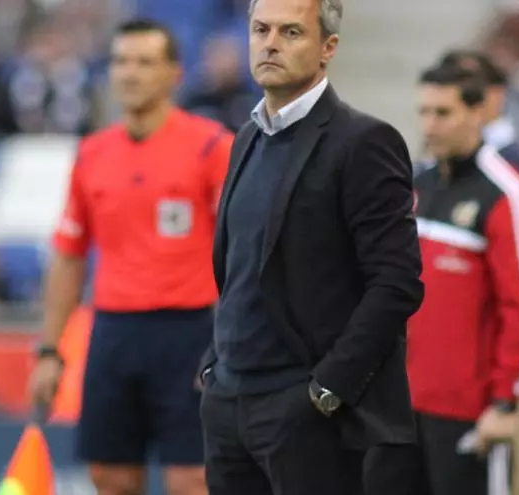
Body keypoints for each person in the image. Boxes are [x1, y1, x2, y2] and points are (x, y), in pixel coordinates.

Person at [197, 0, 424, 494]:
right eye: (260, 29)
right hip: (229, 402)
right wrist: (215, 367)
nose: (270, 44)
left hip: (304, 410)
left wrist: (328, 390)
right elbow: (238, 267)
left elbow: (397, 283)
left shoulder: (364, 141)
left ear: (328, 47)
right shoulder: (246, 137)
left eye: (291, 32)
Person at [28, 19, 233, 495]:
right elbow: (69, 255)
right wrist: (49, 350)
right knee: (110, 476)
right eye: (121, 61)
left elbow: (241, 252)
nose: (130, 73)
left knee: (192, 480)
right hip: (113, 333)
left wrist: (231, 342)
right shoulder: (92, 154)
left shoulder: (211, 147)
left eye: (144, 62)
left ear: (174, 74)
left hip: (190, 333)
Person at [409, 64, 519, 495]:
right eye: (424, 112)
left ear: (477, 113)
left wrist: (505, 403)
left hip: (468, 413)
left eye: (443, 113)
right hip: (400, 407)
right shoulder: (415, 185)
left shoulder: (507, 194)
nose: (429, 126)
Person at [438, 50, 519, 194]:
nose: (459, 96)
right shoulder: (431, 161)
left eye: (469, 87)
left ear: (497, 93)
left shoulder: (518, 161)